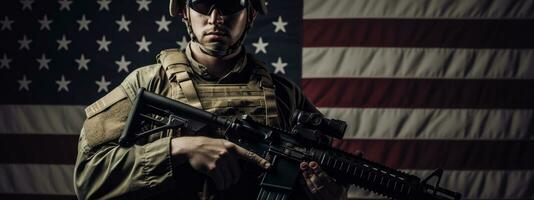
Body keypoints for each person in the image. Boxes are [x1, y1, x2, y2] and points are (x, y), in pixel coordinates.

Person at [74, 0, 348, 199]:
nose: (216, 17)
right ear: (184, 11)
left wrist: (325, 192)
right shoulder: (146, 85)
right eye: (203, 4)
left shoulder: (284, 95)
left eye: (230, 5)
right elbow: (89, 178)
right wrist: (178, 148)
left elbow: (322, 176)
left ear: (250, 14)